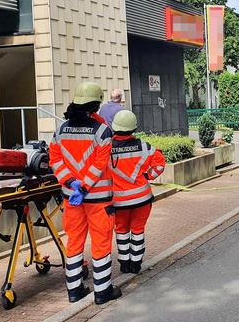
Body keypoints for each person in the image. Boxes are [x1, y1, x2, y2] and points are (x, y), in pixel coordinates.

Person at [50, 82, 121, 304]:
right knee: (100, 242)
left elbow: (55, 161)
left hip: (71, 198)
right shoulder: (102, 131)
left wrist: (72, 183)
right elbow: (100, 165)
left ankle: (74, 291)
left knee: (74, 242)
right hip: (98, 199)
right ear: (96, 105)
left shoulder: (60, 130)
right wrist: (84, 186)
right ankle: (102, 291)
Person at [108, 110, 165, 275]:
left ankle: (124, 264)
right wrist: (148, 175)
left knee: (121, 230)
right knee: (138, 229)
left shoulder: (106, 148)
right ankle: (136, 264)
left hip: (118, 201)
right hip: (141, 198)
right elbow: (160, 164)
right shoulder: (144, 146)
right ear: (134, 128)